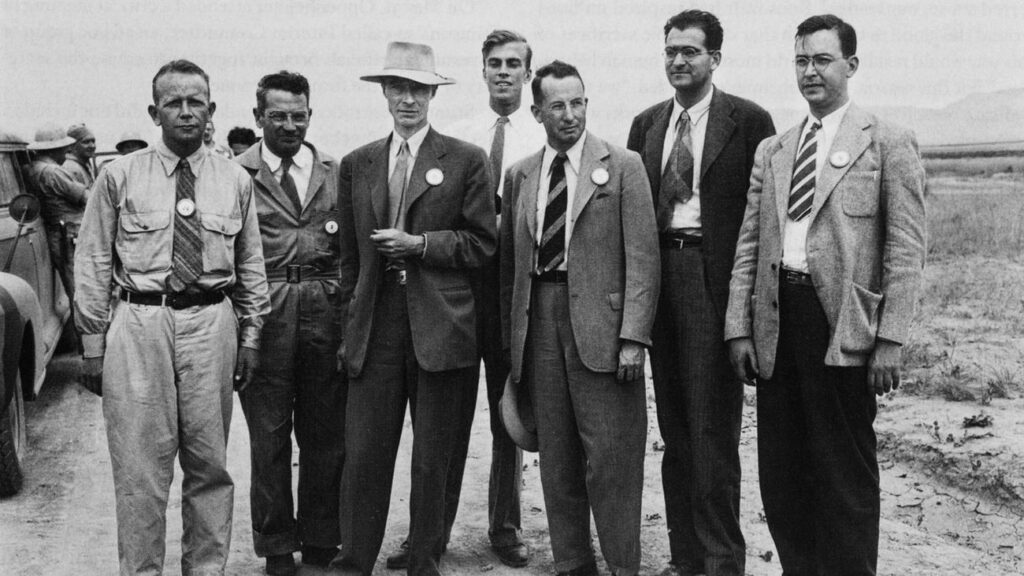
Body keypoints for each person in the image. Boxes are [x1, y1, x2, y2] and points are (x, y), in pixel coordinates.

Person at [724, 15, 926, 576]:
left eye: (822, 60)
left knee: (843, 473)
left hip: (842, 327)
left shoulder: (886, 142)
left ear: (850, 65)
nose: (810, 72)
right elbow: (749, 244)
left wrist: (890, 339)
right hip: (776, 323)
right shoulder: (774, 149)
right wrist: (739, 327)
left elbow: (906, 249)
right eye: (801, 61)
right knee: (783, 474)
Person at [74, 59, 270, 575]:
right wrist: (93, 345)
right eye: (173, 103)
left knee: (210, 465)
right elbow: (93, 261)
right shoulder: (119, 176)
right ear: (154, 111)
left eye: (195, 102)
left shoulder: (235, 179)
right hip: (141, 324)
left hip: (211, 324)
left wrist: (251, 337)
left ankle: (205, 570)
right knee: (140, 471)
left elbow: (251, 264)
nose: (186, 112)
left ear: (211, 109)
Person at [330, 41, 496, 576]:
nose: (408, 99)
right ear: (384, 92)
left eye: (419, 89)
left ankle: (425, 559)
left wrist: (421, 245)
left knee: (433, 458)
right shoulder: (358, 164)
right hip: (376, 325)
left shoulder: (466, 159)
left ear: (433, 95)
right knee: (365, 455)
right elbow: (349, 259)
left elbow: (483, 244)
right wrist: (350, 327)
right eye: (398, 88)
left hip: (441, 326)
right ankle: (353, 562)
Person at [385, 29, 544, 571]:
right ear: (482, 71)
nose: (504, 72)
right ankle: (429, 534)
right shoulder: (458, 137)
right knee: (443, 420)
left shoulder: (541, 137)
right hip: (455, 292)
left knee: (507, 412)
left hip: (513, 289)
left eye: (514, 64)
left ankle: (506, 526)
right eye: (495, 63)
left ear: (528, 73)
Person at [626, 10, 775, 576]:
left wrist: (746, 310)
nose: (678, 61)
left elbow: (763, 220)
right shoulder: (646, 125)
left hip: (714, 284)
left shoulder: (749, 121)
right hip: (658, 280)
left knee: (712, 431)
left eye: (690, 51)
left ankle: (721, 562)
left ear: (715, 57)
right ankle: (685, 558)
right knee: (675, 432)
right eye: (670, 51)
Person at [500, 60, 659, 576]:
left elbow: (644, 259)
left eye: (577, 103)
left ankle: (622, 564)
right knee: (557, 454)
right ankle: (572, 562)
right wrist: (513, 342)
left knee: (612, 457)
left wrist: (633, 336)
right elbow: (510, 268)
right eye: (557, 106)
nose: (570, 115)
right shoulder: (520, 174)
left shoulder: (624, 165)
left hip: (603, 330)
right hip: (541, 322)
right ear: (537, 112)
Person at [235, 70, 346, 576]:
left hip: (325, 307)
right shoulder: (237, 174)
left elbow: (350, 251)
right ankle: (276, 544)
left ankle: (322, 536)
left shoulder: (334, 171)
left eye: (298, 116)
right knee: (269, 437)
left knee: (326, 434)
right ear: (258, 117)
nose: (288, 125)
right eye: (277, 116)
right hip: (266, 310)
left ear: (310, 115)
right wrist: (244, 329)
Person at [26, 124, 89, 306]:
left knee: (72, 284)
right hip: (68, 233)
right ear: (55, 150)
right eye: (64, 150)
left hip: (57, 232)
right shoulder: (53, 172)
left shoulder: (32, 169)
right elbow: (86, 198)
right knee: (81, 286)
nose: (66, 154)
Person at [63, 123, 97, 187]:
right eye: (86, 142)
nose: (92, 146)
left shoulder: (84, 164)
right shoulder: (71, 167)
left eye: (93, 141)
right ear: (72, 145)